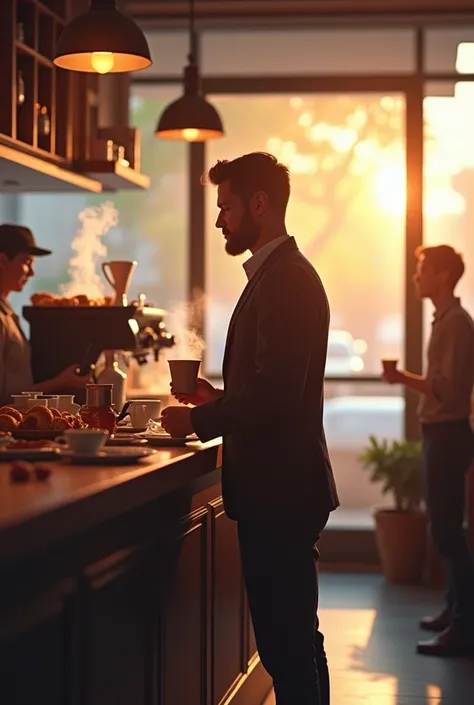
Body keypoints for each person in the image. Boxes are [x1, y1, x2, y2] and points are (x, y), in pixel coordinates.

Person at [161, 152, 339, 705]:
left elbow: (277, 393)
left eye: (227, 207)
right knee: (297, 638)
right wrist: (219, 399)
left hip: (279, 492)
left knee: (287, 646)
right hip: (283, 489)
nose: (220, 220)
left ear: (259, 204)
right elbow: (272, 386)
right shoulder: (280, 274)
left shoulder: (284, 280)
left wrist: (200, 420)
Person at [383, 244, 474, 657]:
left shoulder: (455, 324)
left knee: (446, 530)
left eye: (422, 270)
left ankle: (464, 624)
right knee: (445, 525)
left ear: (441, 276)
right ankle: (456, 610)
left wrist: (403, 378)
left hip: (448, 434)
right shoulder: (447, 320)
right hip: (442, 433)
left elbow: (449, 390)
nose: (416, 277)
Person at [0, 223, 90, 405]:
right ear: (2, 261)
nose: (32, 272)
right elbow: (4, 398)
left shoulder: (7, 313)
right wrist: (60, 382)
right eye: (26, 262)